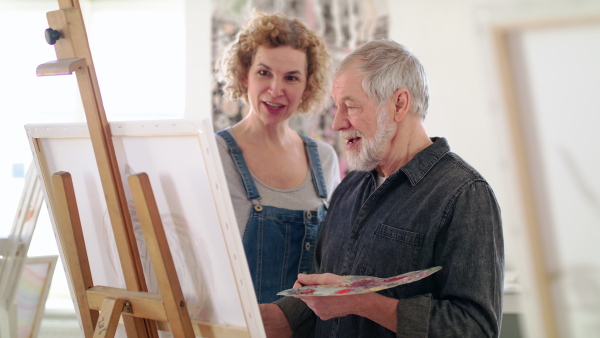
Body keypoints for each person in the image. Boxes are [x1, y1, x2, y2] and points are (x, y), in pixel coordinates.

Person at [260, 39, 504, 337]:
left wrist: (365, 304)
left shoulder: (464, 194)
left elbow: (475, 329)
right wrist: (266, 317)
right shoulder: (349, 186)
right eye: (337, 107)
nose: (337, 123)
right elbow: (323, 297)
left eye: (350, 106)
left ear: (399, 104)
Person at [215, 12, 341, 304]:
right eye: (264, 72)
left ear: (307, 86)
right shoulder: (214, 154)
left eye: (291, 78)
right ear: (244, 73)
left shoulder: (324, 159)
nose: (275, 90)